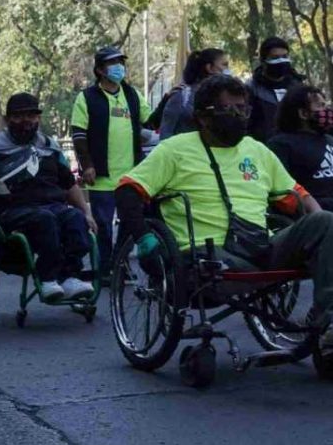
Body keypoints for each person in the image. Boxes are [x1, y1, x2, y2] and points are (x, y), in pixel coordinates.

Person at [116, 74, 333, 348]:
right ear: (203, 117)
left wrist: (316, 223)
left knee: (325, 221)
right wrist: (143, 237)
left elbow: (297, 196)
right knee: (215, 261)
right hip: (208, 255)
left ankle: (327, 325)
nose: (240, 116)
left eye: (243, 109)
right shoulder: (173, 150)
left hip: (261, 248)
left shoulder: (256, 150)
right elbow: (127, 190)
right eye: (230, 110)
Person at [0, 93, 97, 302]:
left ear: (38, 118)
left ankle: (70, 275)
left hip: (52, 205)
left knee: (75, 219)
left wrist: (86, 212)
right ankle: (47, 278)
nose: (26, 122)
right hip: (12, 210)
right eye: (19, 117)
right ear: (7, 119)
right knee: (44, 219)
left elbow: (68, 183)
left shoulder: (50, 146)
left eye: (31, 116)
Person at [71, 47, 151, 283]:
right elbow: (78, 133)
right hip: (101, 176)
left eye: (120, 62)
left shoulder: (132, 95)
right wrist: (87, 165)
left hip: (131, 175)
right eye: (112, 63)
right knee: (103, 226)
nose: (119, 67)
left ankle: (120, 263)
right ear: (99, 70)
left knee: (130, 222)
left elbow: (151, 119)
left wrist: (169, 99)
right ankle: (106, 268)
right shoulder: (86, 98)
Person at [267, 85, 333, 211]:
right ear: (303, 113)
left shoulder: (329, 139)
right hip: (316, 214)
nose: (326, 110)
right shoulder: (281, 144)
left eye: (325, 105)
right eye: (320, 106)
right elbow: (281, 191)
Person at [159, 48, 230, 140]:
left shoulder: (223, 95)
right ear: (209, 68)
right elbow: (166, 132)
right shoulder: (182, 96)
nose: (228, 70)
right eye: (224, 65)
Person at [247, 37, 304, 143]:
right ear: (263, 61)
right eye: (275, 57)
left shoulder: (298, 86)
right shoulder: (252, 89)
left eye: (284, 56)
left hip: (297, 145)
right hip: (267, 146)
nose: (281, 61)